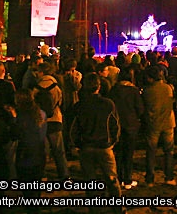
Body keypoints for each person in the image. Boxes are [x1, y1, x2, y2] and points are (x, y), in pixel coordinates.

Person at [70, 73, 122, 202]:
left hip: (86, 147)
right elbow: (115, 125)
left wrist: (77, 144)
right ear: (99, 87)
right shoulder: (108, 104)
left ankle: (93, 207)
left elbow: (73, 129)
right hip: (104, 146)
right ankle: (117, 207)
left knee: (90, 181)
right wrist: (113, 141)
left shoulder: (79, 106)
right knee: (111, 180)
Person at [34, 62, 70, 180]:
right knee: (59, 151)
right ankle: (64, 175)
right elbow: (60, 102)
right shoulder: (56, 86)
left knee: (42, 151)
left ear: (42, 72)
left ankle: (42, 175)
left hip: (41, 121)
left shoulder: (36, 87)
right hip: (55, 119)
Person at [142, 65, 176, 187]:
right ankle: (169, 177)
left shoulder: (147, 91)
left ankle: (150, 179)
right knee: (169, 151)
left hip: (153, 123)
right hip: (168, 122)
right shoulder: (168, 88)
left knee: (151, 151)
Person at [110, 70, 144, 189]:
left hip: (118, 124)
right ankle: (127, 179)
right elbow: (140, 109)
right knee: (129, 153)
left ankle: (118, 178)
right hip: (131, 125)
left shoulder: (114, 90)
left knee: (118, 152)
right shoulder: (134, 91)